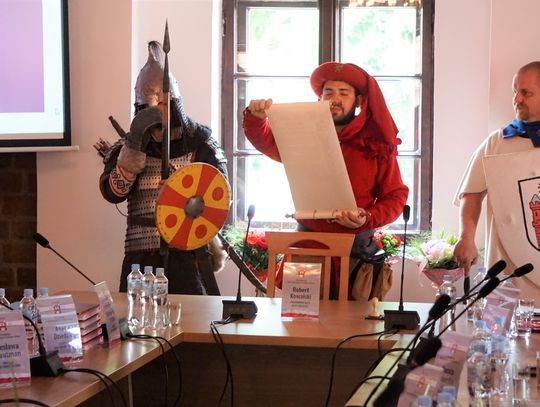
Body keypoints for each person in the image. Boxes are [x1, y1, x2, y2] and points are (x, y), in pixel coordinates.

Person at [243, 61, 409, 299]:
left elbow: (395, 195)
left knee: (356, 323)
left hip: (356, 254)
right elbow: (268, 141)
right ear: (320, 98)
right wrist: (257, 119)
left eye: (344, 93)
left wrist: (368, 217)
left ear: (358, 101)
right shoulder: (303, 135)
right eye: (329, 92)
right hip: (307, 251)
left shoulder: (375, 143)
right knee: (300, 320)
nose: (335, 99)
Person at [99, 41, 228, 295]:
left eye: (165, 105)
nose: (159, 111)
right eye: (150, 107)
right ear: (140, 108)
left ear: (176, 103)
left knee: (193, 319)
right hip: (141, 259)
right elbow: (113, 192)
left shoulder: (201, 144)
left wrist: (180, 195)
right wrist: (131, 155)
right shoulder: (128, 148)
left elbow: (220, 198)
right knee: (137, 319)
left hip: (189, 256)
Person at [454, 61, 540, 295]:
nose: (517, 99)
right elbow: (472, 193)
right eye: (515, 91)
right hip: (506, 270)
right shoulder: (497, 142)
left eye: (526, 93)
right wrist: (466, 237)